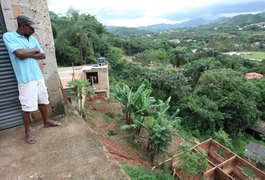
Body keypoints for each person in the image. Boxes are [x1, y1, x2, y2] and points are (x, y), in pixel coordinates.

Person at [3, 15, 61, 144]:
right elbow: (20, 55)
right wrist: (33, 50)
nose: (33, 31)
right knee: (27, 106)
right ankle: (27, 131)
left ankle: (46, 121)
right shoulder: (9, 36)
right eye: (31, 28)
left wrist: (28, 52)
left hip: (37, 76)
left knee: (43, 100)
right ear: (22, 26)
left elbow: (42, 55)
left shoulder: (32, 39)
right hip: (25, 78)